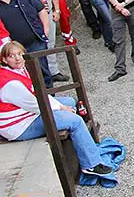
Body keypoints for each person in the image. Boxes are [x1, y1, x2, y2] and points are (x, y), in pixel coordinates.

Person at [0, 41, 112, 176]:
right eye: (11, 56)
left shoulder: (17, 70)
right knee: (75, 121)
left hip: (27, 113)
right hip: (20, 126)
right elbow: (35, 103)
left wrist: (62, 107)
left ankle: (81, 142)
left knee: (70, 101)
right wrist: (60, 107)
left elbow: (37, 94)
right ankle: (91, 164)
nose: (17, 58)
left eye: (19, 54)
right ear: (5, 60)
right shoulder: (11, 83)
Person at [14, 0, 69, 83]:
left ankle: (54, 72)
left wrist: (57, 10)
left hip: (49, 15)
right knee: (38, 48)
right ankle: (42, 76)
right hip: (33, 21)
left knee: (51, 44)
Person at [0, 0, 53, 88]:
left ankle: (50, 96)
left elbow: (41, 10)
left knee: (42, 72)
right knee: (22, 76)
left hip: (34, 43)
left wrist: (45, 31)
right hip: (12, 49)